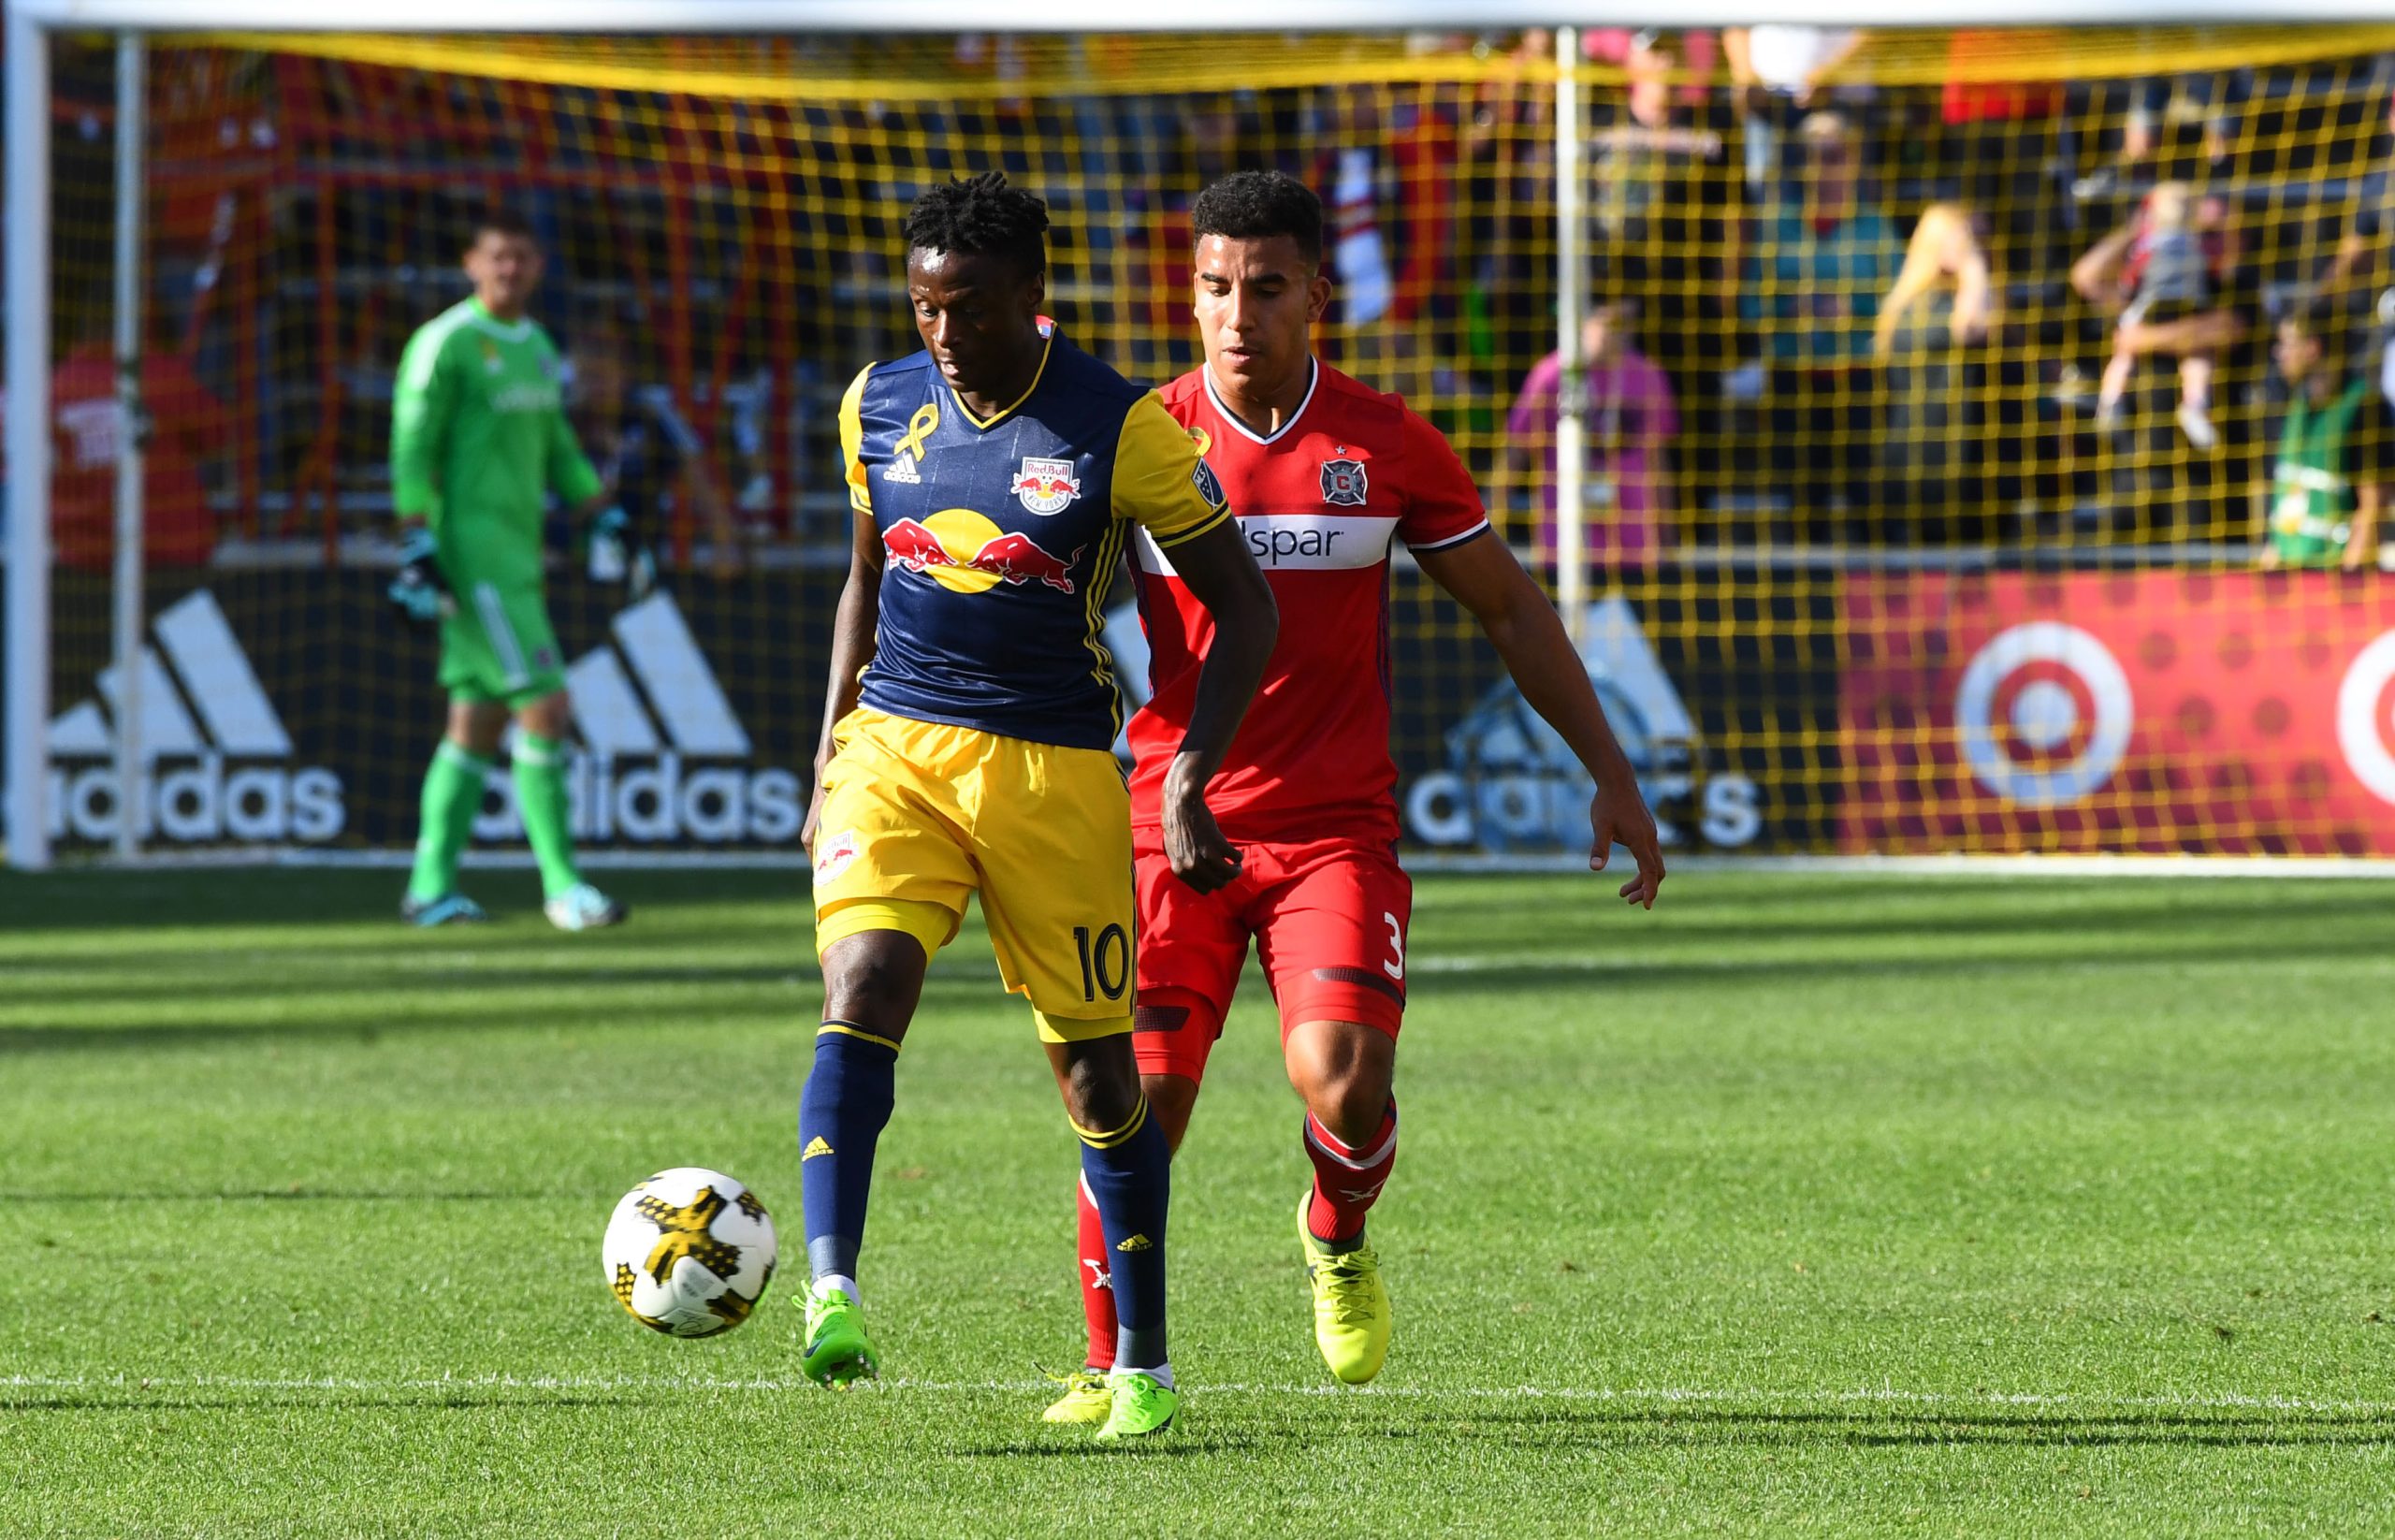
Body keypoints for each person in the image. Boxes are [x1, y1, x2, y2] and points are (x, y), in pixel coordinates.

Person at [1042, 170, 1664, 1422]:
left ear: (1318, 295)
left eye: (1265, 288)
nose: (1236, 313)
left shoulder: (1382, 442)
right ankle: (1112, 1362)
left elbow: (1507, 605)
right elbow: (1030, 593)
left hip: (1332, 830)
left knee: (1343, 1080)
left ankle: (1336, 1226)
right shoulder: (1146, 438)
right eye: (1215, 287)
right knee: (1138, 1099)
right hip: (1177, 821)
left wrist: (1612, 768)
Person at [797, 172, 1276, 1443]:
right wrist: (822, 755)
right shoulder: (876, 400)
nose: (942, 333)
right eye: (921, 306)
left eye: (966, 308)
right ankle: (829, 1289)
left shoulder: (1119, 425)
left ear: (1033, 296)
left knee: (1095, 1074)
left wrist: (1189, 769)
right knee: (863, 985)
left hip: (1051, 767)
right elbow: (860, 580)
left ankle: (1146, 1369)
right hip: (894, 744)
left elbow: (1249, 608)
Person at [386, 207, 634, 932]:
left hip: (520, 554)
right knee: (547, 706)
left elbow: (555, 439)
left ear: (539, 266)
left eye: (522, 258)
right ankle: (563, 888)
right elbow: (412, 441)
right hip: (471, 555)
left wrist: (596, 506)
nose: (510, 270)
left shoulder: (533, 345)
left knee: (476, 719)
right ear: (471, 263)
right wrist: (413, 535)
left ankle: (429, 889)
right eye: (497, 258)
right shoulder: (446, 343)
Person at [1504, 299, 1679, 569]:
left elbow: (1658, 461)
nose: (1625, 332)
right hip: (1566, 539)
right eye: (1614, 323)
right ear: (1585, 321)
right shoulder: (1551, 376)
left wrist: (1668, 539)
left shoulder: (1648, 376)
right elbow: (1514, 455)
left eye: (1630, 323)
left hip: (1634, 543)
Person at [568, 325, 745, 582]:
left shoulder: (651, 416)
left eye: (602, 375)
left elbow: (699, 478)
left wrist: (725, 543)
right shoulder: (565, 421)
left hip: (641, 561)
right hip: (570, 563)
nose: (595, 386)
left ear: (625, 375)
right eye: (586, 377)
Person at [2258, 307, 2395, 571]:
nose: (2279, 353)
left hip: (2335, 576)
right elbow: (2289, 497)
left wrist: (2350, 579)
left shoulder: (2363, 406)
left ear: (2312, 348)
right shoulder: (2296, 404)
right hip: (2289, 572)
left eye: (2287, 344)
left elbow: (2373, 505)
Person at [2091, 182, 2220, 449]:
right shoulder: (2150, 246)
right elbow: (2094, 278)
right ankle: (2111, 401)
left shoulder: (2195, 248)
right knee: (2125, 353)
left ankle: (2194, 405)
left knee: (2197, 357)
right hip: (2153, 309)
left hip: (2185, 314)